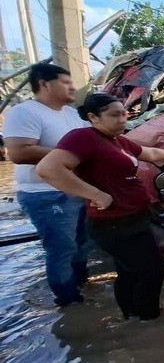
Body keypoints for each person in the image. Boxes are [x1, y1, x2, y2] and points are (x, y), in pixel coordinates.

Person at [36, 93, 164, 320]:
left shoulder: (117, 140)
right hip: (112, 223)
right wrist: (95, 194)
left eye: (124, 114)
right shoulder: (83, 138)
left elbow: (149, 153)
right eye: (114, 115)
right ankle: (149, 322)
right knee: (152, 270)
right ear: (93, 117)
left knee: (129, 271)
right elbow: (48, 168)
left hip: (132, 219)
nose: (122, 120)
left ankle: (131, 318)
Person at [3, 64, 91, 307]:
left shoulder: (71, 113)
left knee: (81, 246)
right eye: (66, 82)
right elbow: (19, 152)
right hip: (46, 195)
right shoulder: (26, 112)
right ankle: (69, 303)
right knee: (61, 250)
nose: (73, 86)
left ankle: (82, 288)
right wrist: (71, 155)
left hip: (75, 189)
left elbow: (93, 141)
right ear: (44, 84)